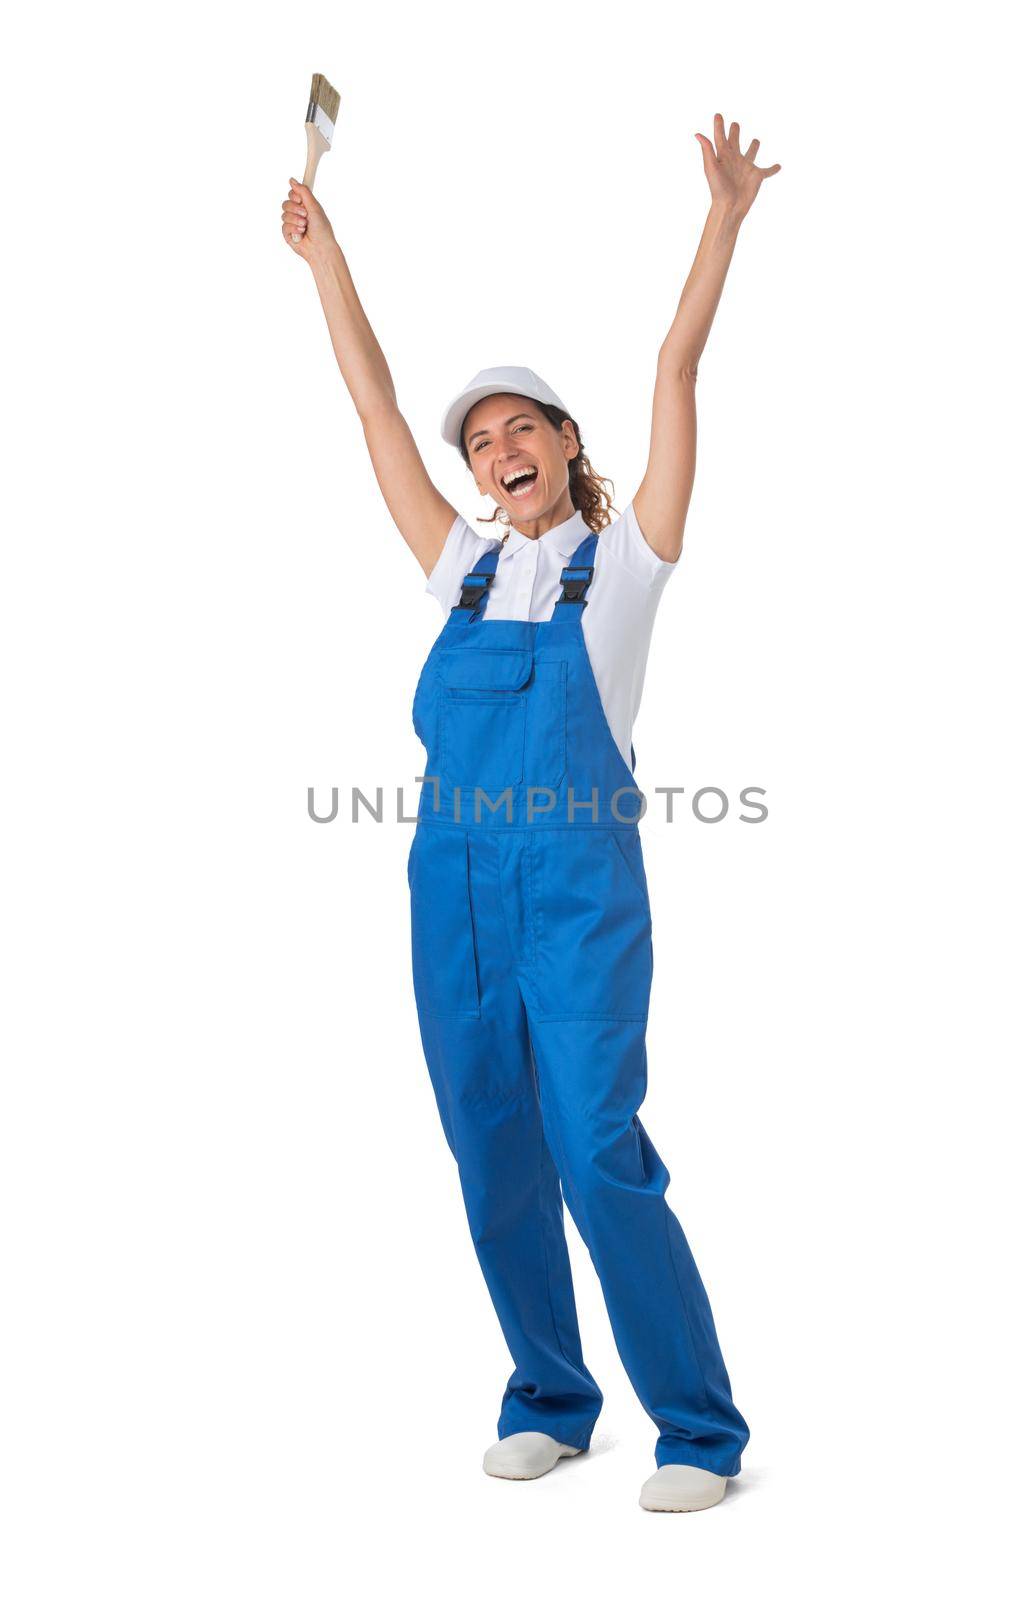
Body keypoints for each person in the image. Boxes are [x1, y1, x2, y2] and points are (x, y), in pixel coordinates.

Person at [281, 113, 780, 1513]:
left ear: (566, 444)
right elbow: (374, 408)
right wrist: (328, 261)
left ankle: (696, 1428)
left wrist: (725, 220)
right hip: (451, 884)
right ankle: (552, 1396)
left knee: (592, 1141)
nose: (495, 448)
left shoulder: (619, 572)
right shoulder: (459, 570)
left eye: (521, 429)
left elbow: (676, 367)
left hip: (573, 893)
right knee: (490, 1136)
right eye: (481, 439)